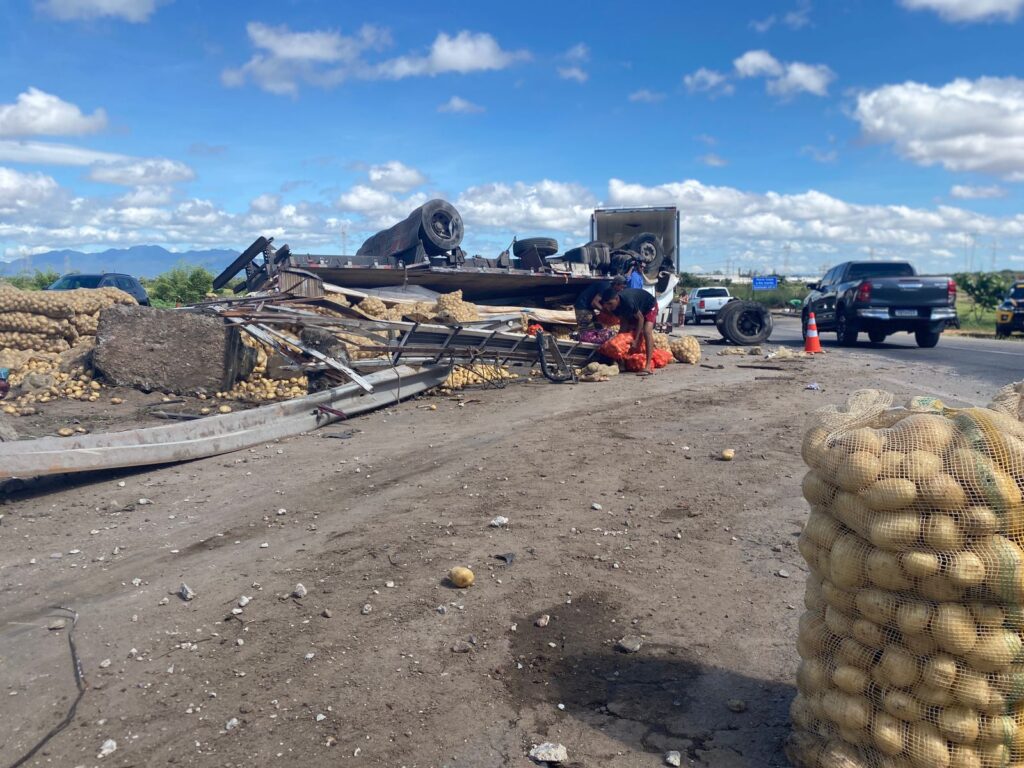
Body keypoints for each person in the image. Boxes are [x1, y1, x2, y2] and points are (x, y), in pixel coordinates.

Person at [600, 287, 658, 375]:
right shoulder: (613, 308)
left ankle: (648, 366)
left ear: (617, 298)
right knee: (621, 337)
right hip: (637, 310)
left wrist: (636, 339)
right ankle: (622, 363)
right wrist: (618, 341)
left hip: (649, 306)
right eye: (606, 305)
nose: (608, 307)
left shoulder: (628, 301)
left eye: (610, 304)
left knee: (646, 331)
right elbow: (624, 324)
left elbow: (641, 319)